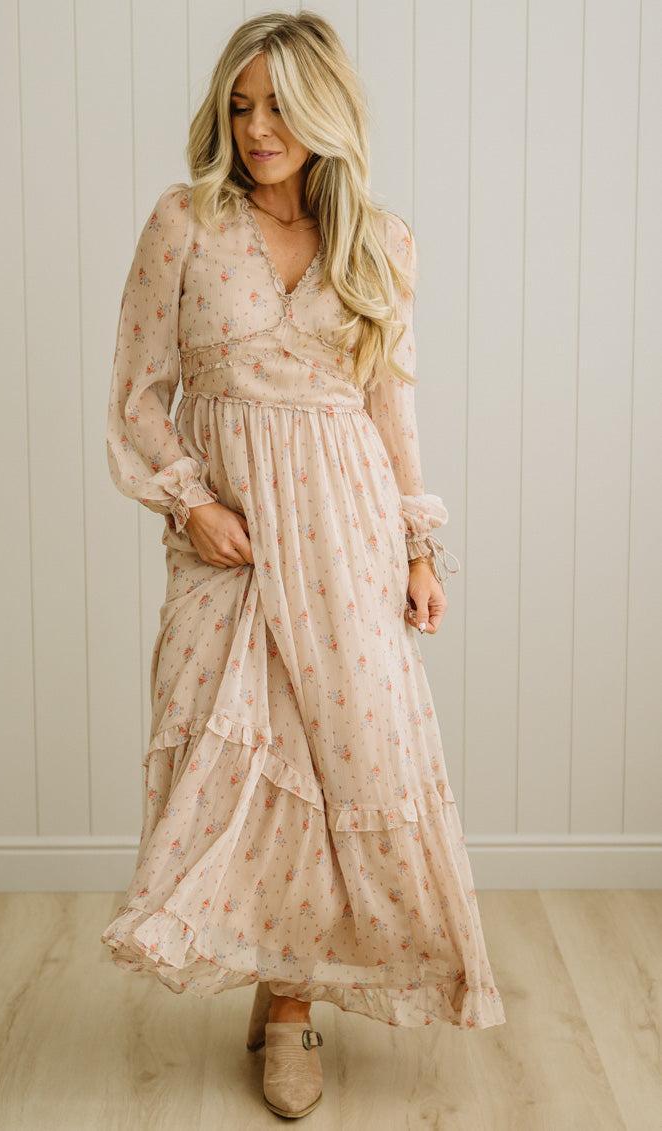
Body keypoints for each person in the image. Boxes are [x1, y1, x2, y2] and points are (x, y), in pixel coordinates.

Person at [100, 10, 505, 1119]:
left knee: (344, 759)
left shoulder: (381, 240)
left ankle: (290, 1006)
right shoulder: (183, 224)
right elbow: (138, 395)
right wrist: (190, 505)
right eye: (240, 104)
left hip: (347, 529)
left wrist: (420, 547)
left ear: (325, 111)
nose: (257, 126)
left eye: (278, 104)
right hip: (229, 535)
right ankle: (279, 989)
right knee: (242, 760)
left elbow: (390, 406)